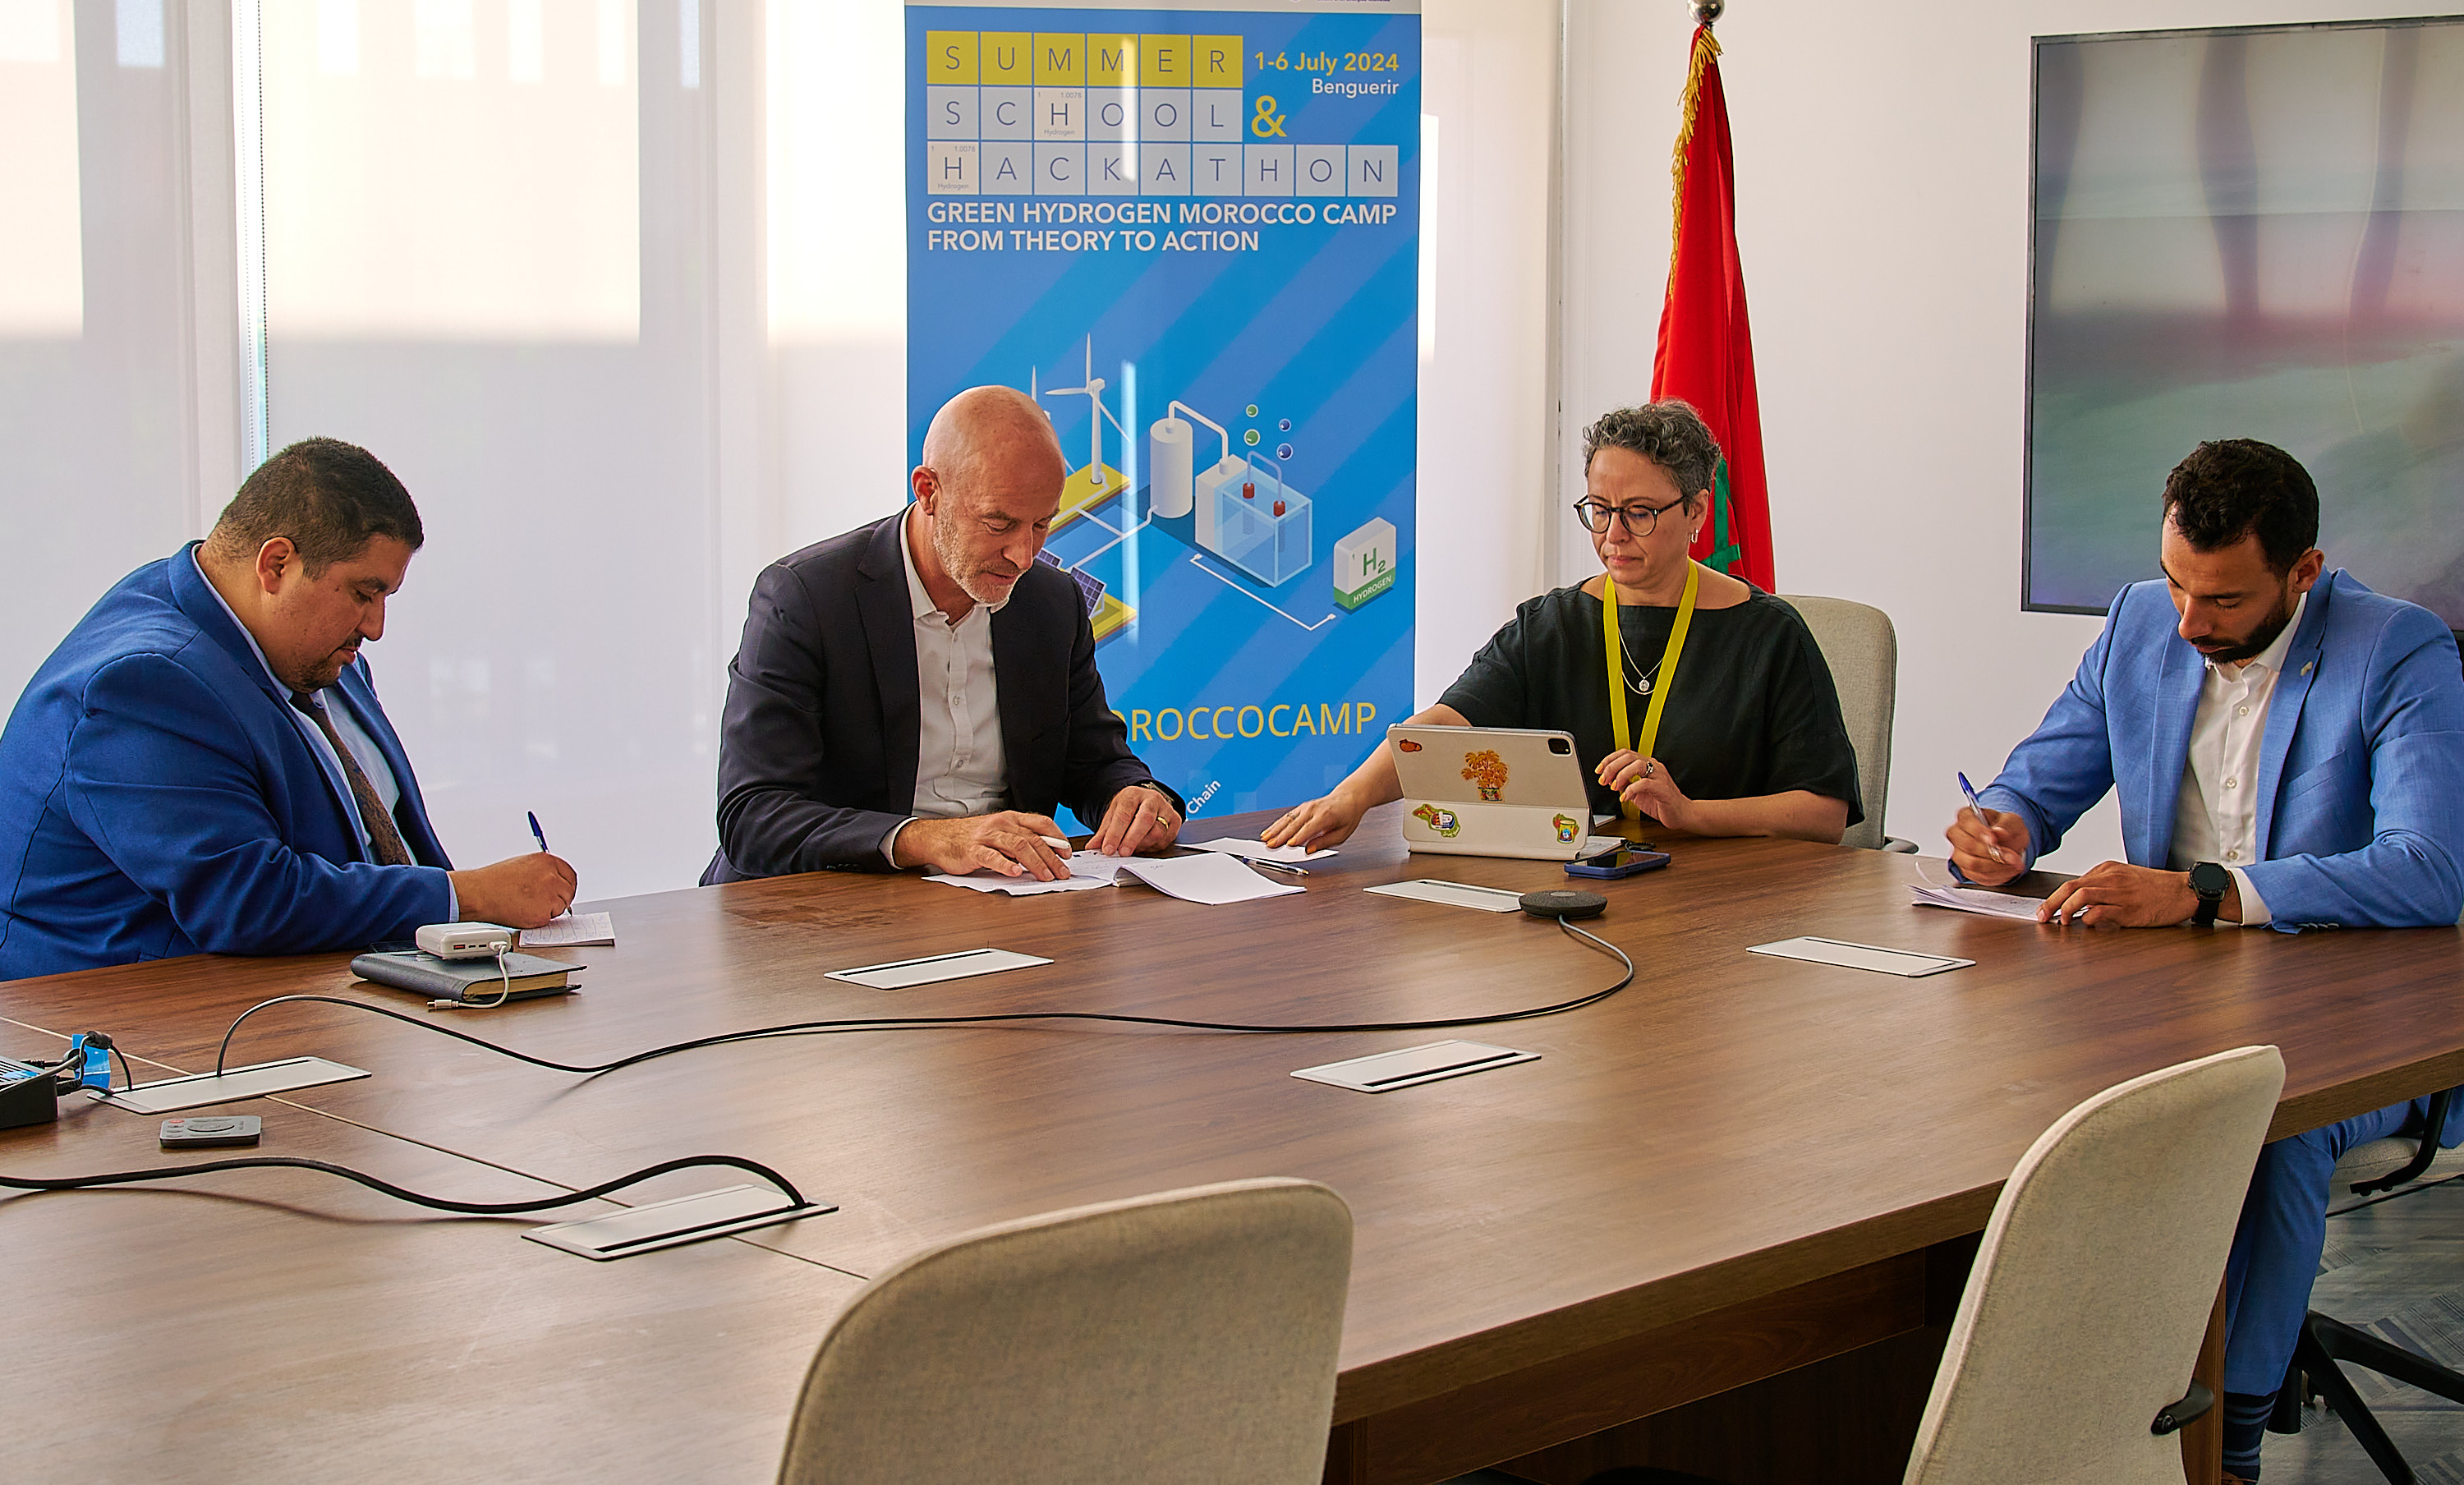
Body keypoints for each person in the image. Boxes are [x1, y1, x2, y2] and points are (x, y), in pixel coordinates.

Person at [1947, 438, 2464, 1485]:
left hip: (2359, 1022)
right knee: (2008, 1081)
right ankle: (2035, 1409)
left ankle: (2224, 1449)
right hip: (2163, 999)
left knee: (2272, 1127)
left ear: (2304, 572)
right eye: (2179, 582)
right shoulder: (2144, 618)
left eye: (2222, 600)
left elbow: (2429, 868)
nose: (2188, 622)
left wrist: (2212, 892)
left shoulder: (2399, 649)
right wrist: (2002, 826)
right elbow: (2040, 779)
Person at [0, 439, 576, 980]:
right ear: (276, 565)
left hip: (327, 1003)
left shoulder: (313, 653)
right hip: (139, 1044)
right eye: (362, 593)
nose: (375, 628)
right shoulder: (144, 684)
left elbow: (376, 853)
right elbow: (246, 899)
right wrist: (468, 894)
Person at [1264, 400, 1860, 851]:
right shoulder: (1553, 624)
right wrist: (1352, 798)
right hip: (1580, 892)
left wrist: (1691, 813)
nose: (1612, 535)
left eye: (1640, 514)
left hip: (1725, 904)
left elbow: (1823, 814)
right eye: (1599, 511)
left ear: (1697, 511)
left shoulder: (1769, 636)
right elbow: (1442, 728)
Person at [706, 385, 1181, 884]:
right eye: (999, 524)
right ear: (929, 491)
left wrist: (1135, 798)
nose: (1023, 556)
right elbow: (754, 815)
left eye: (1042, 525)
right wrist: (928, 837)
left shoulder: (1052, 602)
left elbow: (1092, 762)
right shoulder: (805, 597)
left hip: (1003, 902)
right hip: (827, 909)